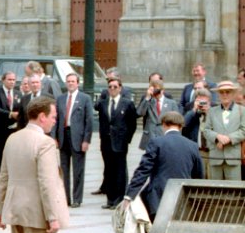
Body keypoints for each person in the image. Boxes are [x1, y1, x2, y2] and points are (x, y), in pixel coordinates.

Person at [0, 96, 69, 233]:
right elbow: (47, 182)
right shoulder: (45, 142)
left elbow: (3, 178)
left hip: (15, 210)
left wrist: (0, 210)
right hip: (37, 213)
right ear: (42, 117)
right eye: (53, 117)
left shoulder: (12, 138)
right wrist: (53, 217)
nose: (55, 121)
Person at [124, 112, 204, 222]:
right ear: (181, 127)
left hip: (158, 198)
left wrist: (129, 196)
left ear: (164, 125)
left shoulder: (156, 143)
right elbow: (199, 175)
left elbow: (143, 171)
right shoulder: (192, 146)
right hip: (183, 197)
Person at [94, 77, 137, 209]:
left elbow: (132, 123)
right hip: (106, 142)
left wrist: (127, 139)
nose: (112, 89)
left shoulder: (127, 103)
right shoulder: (103, 103)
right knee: (109, 170)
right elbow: (100, 117)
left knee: (120, 171)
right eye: (110, 87)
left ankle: (119, 199)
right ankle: (110, 199)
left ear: (120, 88)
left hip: (120, 142)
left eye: (115, 87)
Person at [52, 73, 93, 208]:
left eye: (73, 81)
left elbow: (89, 121)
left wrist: (86, 140)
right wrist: (54, 137)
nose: (70, 83)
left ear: (77, 83)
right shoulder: (60, 99)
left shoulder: (85, 98)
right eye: (68, 81)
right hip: (63, 136)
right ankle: (65, 198)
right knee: (64, 170)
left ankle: (77, 199)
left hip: (78, 138)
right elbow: (55, 120)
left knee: (78, 170)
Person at [200, 80, 244, 181]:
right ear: (218, 94)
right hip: (215, 157)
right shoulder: (212, 111)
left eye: (228, 92)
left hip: (233, 158)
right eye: (221, 92)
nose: (225, 95)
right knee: (215, 190)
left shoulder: (242, 110)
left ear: (233, 94)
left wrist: (228, 138)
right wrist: (217, 137)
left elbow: (243, 130)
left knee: (234, 191)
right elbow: (206, 130)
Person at [0, 71, 20, 197]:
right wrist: (10, 114)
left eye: (13, 80)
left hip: (14, 131)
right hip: (0, 132)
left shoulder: (18, 94)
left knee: (13, 160)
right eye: (9, 79)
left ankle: (10, 187)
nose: (12, 82)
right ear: (3, 80)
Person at [137, 77, 180, 150]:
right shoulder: (148, 101)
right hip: (150, 135)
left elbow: (177, 122)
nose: (155, 92)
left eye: (157, 89)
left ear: (162, 90)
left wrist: (176, 138)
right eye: (153, 89)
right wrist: (147, 97)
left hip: (165, 135)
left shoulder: (171, 103)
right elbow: (140, 113)